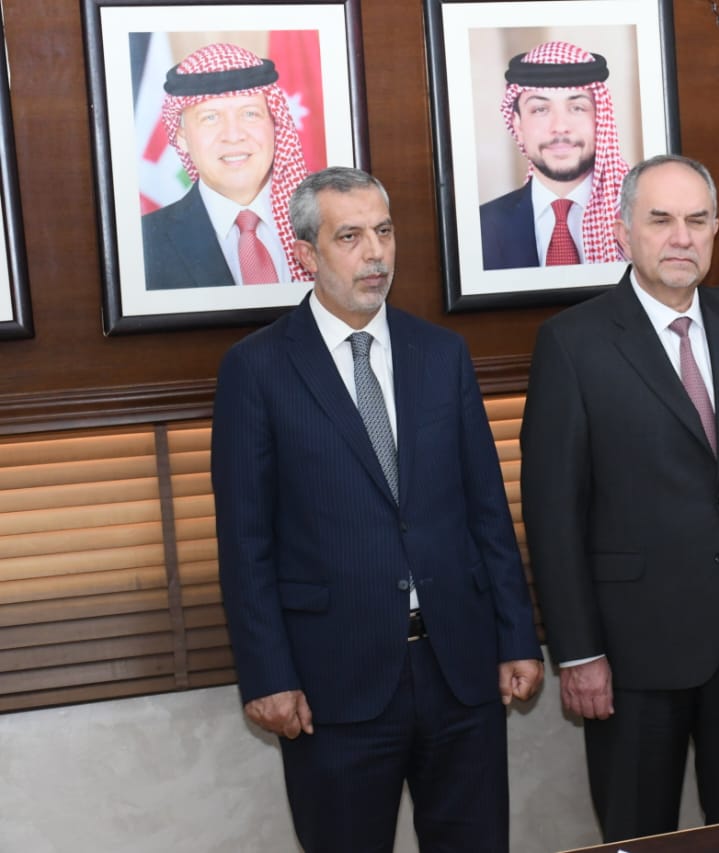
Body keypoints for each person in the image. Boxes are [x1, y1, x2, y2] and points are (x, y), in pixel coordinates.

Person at [211, 166, 543, 852]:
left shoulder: (440, 352)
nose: (375, 254)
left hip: (458, 668)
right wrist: (268, 675)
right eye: (351, 236)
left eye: (384, 233)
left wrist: (517, 635)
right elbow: (245, 543)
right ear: (306, 252)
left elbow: (486, 506)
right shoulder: (258, 369)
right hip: (334, 682)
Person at [520, 154, 719, 842]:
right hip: (632, 650)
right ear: (623, 231)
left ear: (716, 229)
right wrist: (578, 652)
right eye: (660, 220)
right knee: (641, 833)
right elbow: (554, 516)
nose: (681, 237)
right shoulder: (572, 343)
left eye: (697, 220)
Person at [143, 42, 309, 289]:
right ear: (182, 138)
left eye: (250, 114)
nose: (233, 135)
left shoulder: (327, 220)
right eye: (210, 118)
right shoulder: (144, 242)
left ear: (276, 125)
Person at [479, 40, 630, 270]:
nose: (559, 127)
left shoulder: (639, 219)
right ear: (518, 125)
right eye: (540, 109)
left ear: (600, 119)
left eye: (577, 108)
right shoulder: (481, 228)